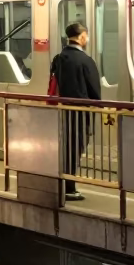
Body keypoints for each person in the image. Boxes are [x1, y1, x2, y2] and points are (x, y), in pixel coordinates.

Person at [51, 22, 101, 202]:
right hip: (81, 113)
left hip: (65, 110)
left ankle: (65, 184)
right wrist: (101, 106)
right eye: (86, 36)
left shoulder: (59, 57)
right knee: (75, 148)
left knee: (67, 147)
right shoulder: (85, 61)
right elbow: (94, 90)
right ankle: (69, 188)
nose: (87, 39)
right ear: (81, 37)